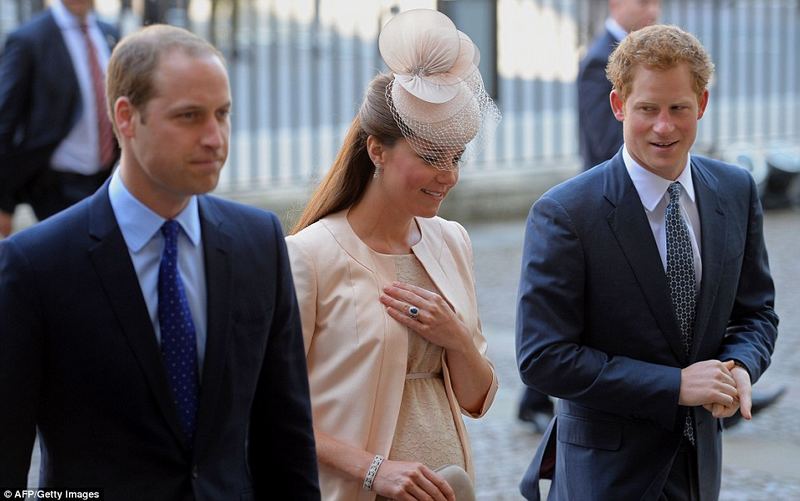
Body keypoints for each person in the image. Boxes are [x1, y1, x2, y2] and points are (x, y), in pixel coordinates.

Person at [0, 24, 319, 499]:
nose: (215, 138)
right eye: (189, 116)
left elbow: (287, 437)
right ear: (126, 118)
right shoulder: (36, 265)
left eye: (223, 114)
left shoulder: (259, 243)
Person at [516, 25, 778, 500]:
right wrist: (675, 385)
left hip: (700, 471)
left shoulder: (736, 191)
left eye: (678, 108)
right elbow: (543, 358)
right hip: (604, 477)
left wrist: (740, 364)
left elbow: (755, 312)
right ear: (618, 106)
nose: (664, 126)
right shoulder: (567, 213)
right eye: (647, 109)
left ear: (702, 103)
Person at [286, 9, 499, 501]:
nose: (448, 175)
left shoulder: (451, 241)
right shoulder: (309, 255)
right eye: (430, 157)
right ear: (376, 151)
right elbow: (274, 405)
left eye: (456, 157)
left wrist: (456, 339)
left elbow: (476, 399)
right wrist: (372, 470)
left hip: (450, 488)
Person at [0, 0, 121, 237]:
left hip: (104, 179)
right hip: (54, 185)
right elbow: (5, 121)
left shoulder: (109, 33)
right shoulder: (29, 39)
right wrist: (3, 202)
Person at [577, 0, 660, 171]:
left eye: (657, 3)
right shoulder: (600, 60)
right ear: (616, 3)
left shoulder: (642, 50)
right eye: (643, 3)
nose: (654, 11)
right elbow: (607, 143)